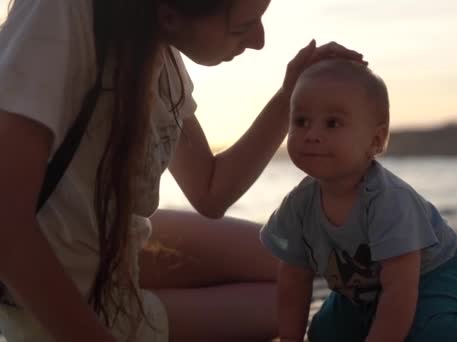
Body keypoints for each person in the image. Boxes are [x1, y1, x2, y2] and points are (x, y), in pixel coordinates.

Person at [0, 0, 365, 341]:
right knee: (283, 306)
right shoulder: (61, 14)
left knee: (303, 263)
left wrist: (290, 94)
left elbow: (210, 188)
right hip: (65, 298)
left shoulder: (159, 49)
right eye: (242, 27)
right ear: (170, 11)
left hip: (113, 243)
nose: (259, 41)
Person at [260, 59, 457, 342]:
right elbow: (293, 282)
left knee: (424, 334)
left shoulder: (388, 202)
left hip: (431, 275)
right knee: (324, 334)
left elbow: (400, 291)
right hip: (362, 291)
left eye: (332, 123)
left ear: (375, 141)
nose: (312, 135)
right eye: (301, 121)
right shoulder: (299, 205)